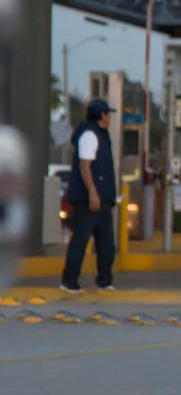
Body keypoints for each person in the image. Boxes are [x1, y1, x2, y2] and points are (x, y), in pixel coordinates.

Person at [61, 99, 118, 294]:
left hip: (102, 199)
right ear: (102, 115)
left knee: (107, 244)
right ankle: (69, 281)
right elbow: (84, 166)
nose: (110, 117)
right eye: (108, 114)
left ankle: (104, 281)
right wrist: (93, 193)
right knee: (81, 240)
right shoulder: (89, 135)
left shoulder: (101, 135)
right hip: (89, 200)